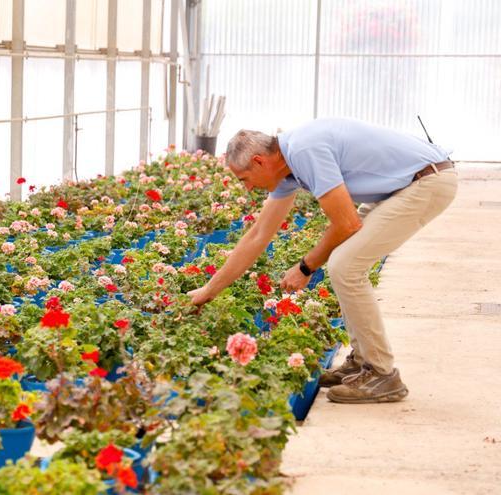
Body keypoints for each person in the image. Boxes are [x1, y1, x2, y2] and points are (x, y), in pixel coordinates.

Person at [187, 118, 458, 404]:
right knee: (344, 263)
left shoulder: (304, 150)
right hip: (404, 184)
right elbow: (258, 235)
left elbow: (347, 224)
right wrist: (208, 291)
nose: (248, 189)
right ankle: (362, 361)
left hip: (427, 182)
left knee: (345, 265)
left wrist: (305, 267)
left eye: (244, 180)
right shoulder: (286, 164)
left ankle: (382, 374)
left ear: (258, 161)